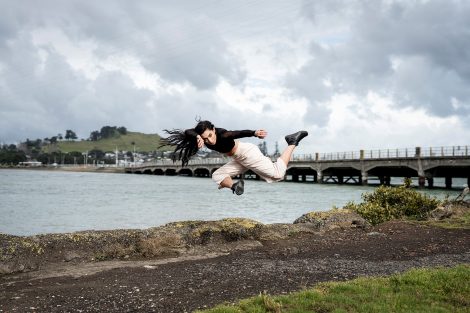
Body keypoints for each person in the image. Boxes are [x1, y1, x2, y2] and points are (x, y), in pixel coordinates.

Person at [160, 120, 308, 195]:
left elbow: (236, 133)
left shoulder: (223, 134)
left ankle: (292, 141)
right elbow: (188, 131)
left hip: (247, 153)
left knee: (278, 174)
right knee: (217, 175)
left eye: (210, 135)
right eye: (205, 139)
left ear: (213, 129)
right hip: (238, 159)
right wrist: (198, 137)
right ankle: (235, 186)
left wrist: (254, 132)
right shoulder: (202, 137)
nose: (209, 140)